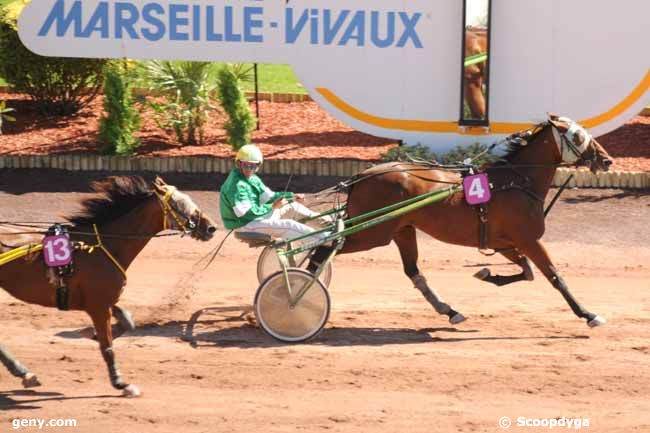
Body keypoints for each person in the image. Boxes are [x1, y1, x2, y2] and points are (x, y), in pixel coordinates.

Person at [219, 144, 331, 246]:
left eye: (253, 166)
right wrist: (272, 207)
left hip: (255, 219)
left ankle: (327, 222)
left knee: (290, 204)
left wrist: (292, 196)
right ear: (238, 163)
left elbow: (270, 197)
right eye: (246, 165)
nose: (249, 169)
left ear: (258, 166)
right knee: (289, 225)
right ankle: (326, 239)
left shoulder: (252, 178)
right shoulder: (236, 185)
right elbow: (247, 213)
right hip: (245, 225)